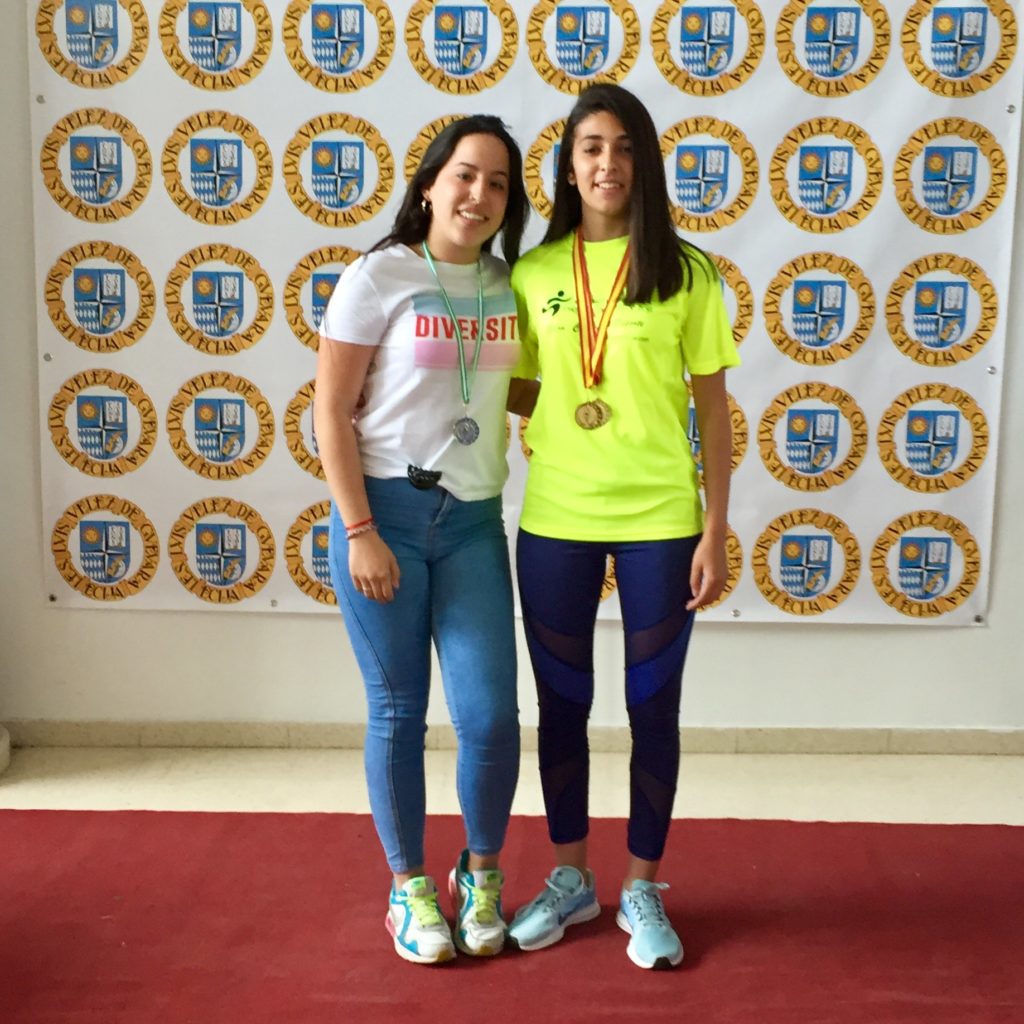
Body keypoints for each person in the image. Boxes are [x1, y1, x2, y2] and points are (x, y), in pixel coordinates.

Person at [506, 83, 739, 970]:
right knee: (562, 704)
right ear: (569, 166)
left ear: (645, 164)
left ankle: (642, 885)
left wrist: (715, 528)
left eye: (626, 147)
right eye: (592, 147)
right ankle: (571, 878)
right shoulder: (532, 273)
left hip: (661, 519)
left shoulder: (688, 272)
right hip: (557, 514)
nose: (609, 163)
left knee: (653, 707)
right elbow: (514, 385)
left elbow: (712, 411)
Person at [314, 115, 531, 965]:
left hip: (473, 521)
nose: (480, 195)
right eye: (466, 175)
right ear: (431, 184)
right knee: (399, 711)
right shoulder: (379, 276)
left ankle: (480, 875)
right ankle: (408, 888)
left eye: (498, 183)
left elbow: (504, 388)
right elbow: (330, 412)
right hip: (386, 518)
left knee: (491, 717)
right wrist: (360, 530)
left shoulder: (507, 284)